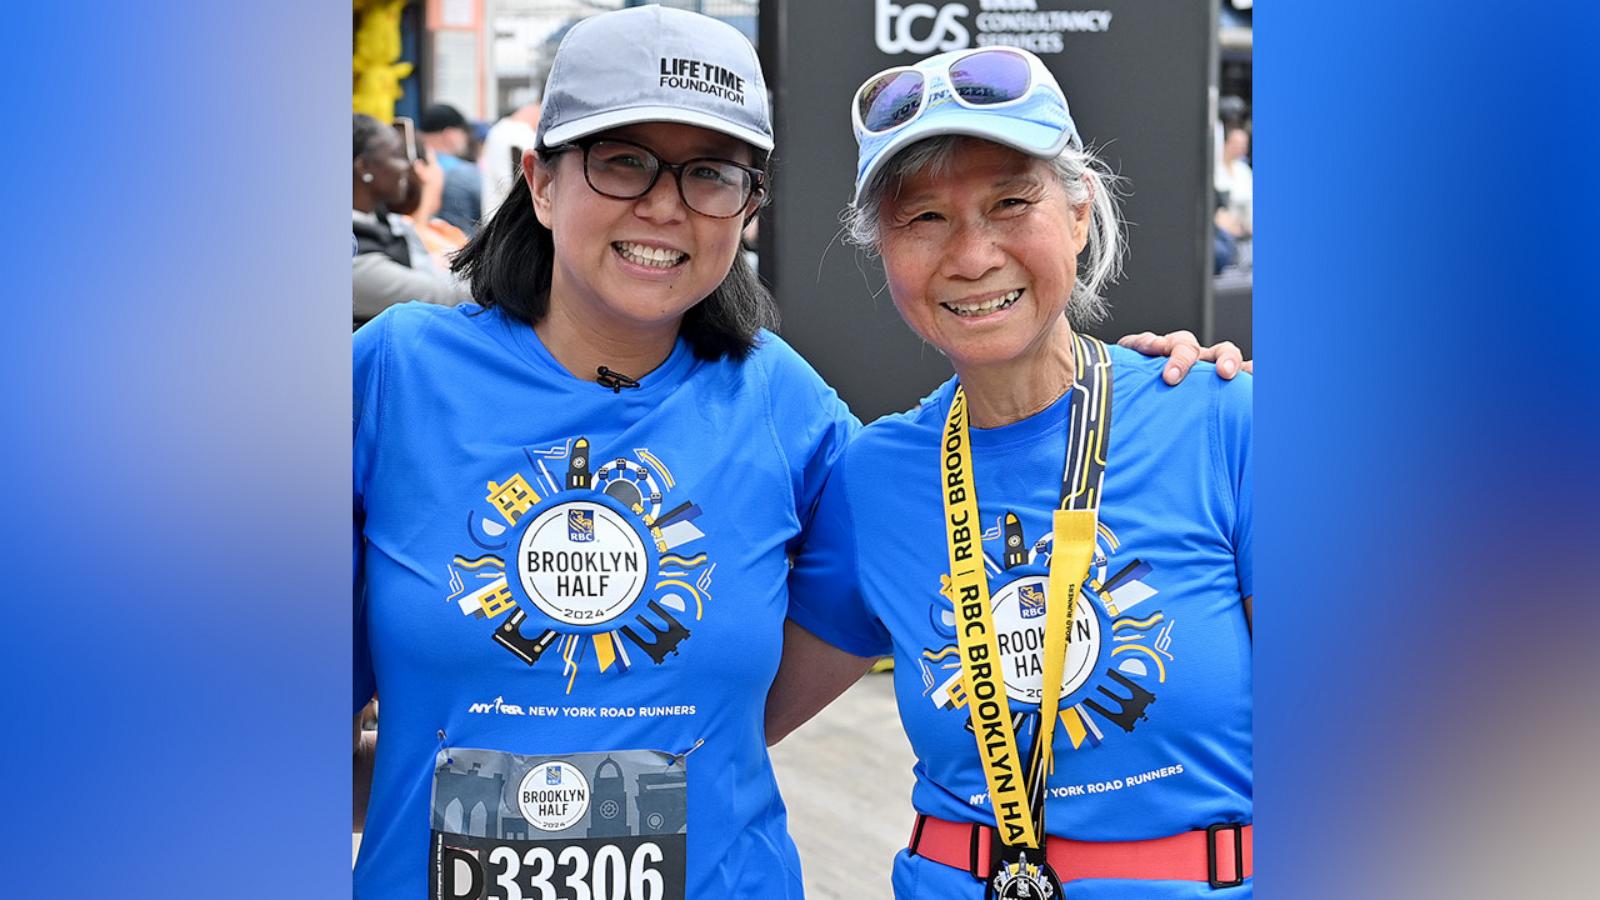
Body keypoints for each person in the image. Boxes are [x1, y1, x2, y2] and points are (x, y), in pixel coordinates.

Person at [355, 9, 1242, 898]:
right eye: (622, 160)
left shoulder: (793, 411)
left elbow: (735, 721)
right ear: (540, 182)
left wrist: (1174, 394)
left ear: (748, 208)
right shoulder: (395, 374)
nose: (665, 204)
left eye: (710, 173)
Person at [773, 47, 1253, 897]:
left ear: (1078, 212)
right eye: (922, 218)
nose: (971, 254)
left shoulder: (1221, 420)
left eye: (1009, 203)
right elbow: (728, 710)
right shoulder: (874, 477)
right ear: (881, 249)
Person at [352, 113, 470, 327]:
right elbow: (444, 296)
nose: (408, 166)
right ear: (364, 167)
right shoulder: (352, 254)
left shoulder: (385, 224)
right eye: (398, 155)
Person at [420, 102, 486, 236]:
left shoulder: (413, 165)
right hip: (463, 246)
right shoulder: (463, 172)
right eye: (463, 133)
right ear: (449, 134)